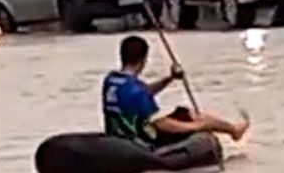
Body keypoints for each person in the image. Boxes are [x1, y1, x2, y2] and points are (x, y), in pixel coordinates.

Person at [102, 35, 250, 149]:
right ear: (143, 60)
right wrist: (199, 126)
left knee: (184, 114)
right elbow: (159, 124)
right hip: (141, 140)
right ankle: (233, 130)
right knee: (187, 115)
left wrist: (170, 78)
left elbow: (141, 94)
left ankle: (232, 129)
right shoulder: (136, 90)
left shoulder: (111, 80)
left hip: (118, 137)